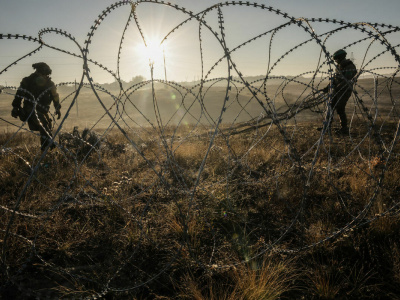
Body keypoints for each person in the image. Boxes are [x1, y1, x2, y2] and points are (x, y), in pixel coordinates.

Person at [11, 62, 61, 150]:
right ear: (38, 72)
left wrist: (57, 108)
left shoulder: (49, 83)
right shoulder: (27, 81)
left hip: (43, 109)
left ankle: (45, 150)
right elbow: (19, 94)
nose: (45, 76)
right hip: (30, 108)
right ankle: (47, 147)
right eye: (43, 73)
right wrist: (16, 107)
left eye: (46, 74)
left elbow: (55, 96)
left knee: (47, 127)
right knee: (44, 125)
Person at [322, 49, 357, 135]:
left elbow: (347, 80)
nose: (336, 61)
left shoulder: (349, 66)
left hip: (345, 91)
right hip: (337, 90)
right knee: (330, 107)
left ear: (341, 57)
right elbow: (335, 78)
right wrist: (327, 87)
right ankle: (327, 127)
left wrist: (338, 87)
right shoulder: (339, 66)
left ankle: (344, 129)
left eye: (336, 59)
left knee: (340, 108)